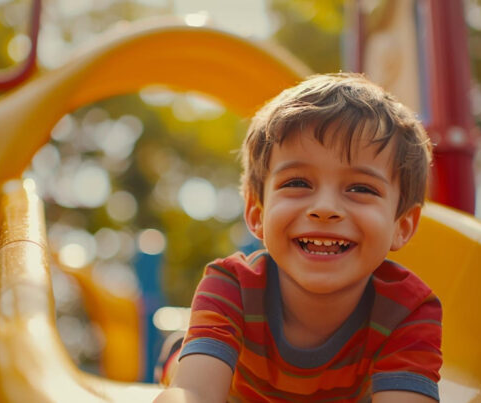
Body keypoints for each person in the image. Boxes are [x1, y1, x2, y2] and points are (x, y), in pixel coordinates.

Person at [153, 72, 442, 402]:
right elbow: (195, 393)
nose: (325, 208)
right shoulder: (232, 286)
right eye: (297, 183)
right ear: (256, 211)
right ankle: (179, 349)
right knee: (185, 366)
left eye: (361, 188)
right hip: (234, 385)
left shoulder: (407, 310)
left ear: (402, 225)